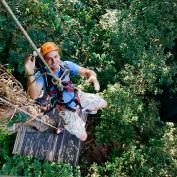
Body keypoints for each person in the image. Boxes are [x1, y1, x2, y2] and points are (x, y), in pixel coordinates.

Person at [24, 42, 107, 141]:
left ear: (59, 55)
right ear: (44, 60)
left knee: (104, 103)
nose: (54, 61)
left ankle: (86, 109)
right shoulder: (42, 75)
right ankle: (78, 117)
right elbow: (33, 95)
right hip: (65, 108)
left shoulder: (66, 65)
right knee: (83, 137)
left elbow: (87, 72)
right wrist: (30, 73)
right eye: (49, 59)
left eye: (55, 56)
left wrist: (93, 77)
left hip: (77, 96)